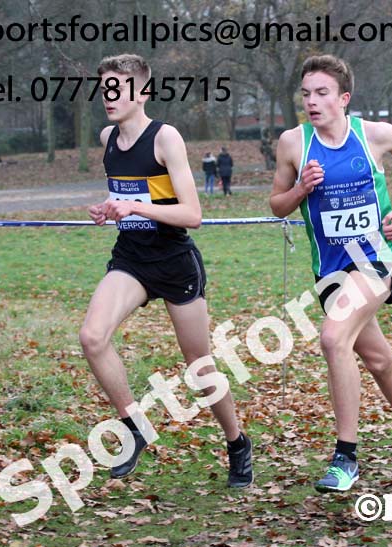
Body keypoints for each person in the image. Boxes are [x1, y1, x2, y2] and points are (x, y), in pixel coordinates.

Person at [80, 54, 252, 487]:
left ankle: (236, 441)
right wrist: (110, 208)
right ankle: (134, 426)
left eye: (118, 89)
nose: (109, 98)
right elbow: (127, 198)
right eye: (105, 90)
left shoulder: (165, 138)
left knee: (199, 365)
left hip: (175, 263)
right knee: (92, 337)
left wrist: (134, 205)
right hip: (132, 259)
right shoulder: (106, 138)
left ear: (143, 92)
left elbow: (193, 214)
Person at [269, 54, 392, 492]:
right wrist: (301, 189)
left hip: (374, 262)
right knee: (379, 360)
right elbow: (276, 205)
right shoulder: (293, 143)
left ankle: (346, 458)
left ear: (344, 98)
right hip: (329, 272)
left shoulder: (374, 135)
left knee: (332, 338)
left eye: (322, 93)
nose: (312, 101)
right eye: (306, 94)